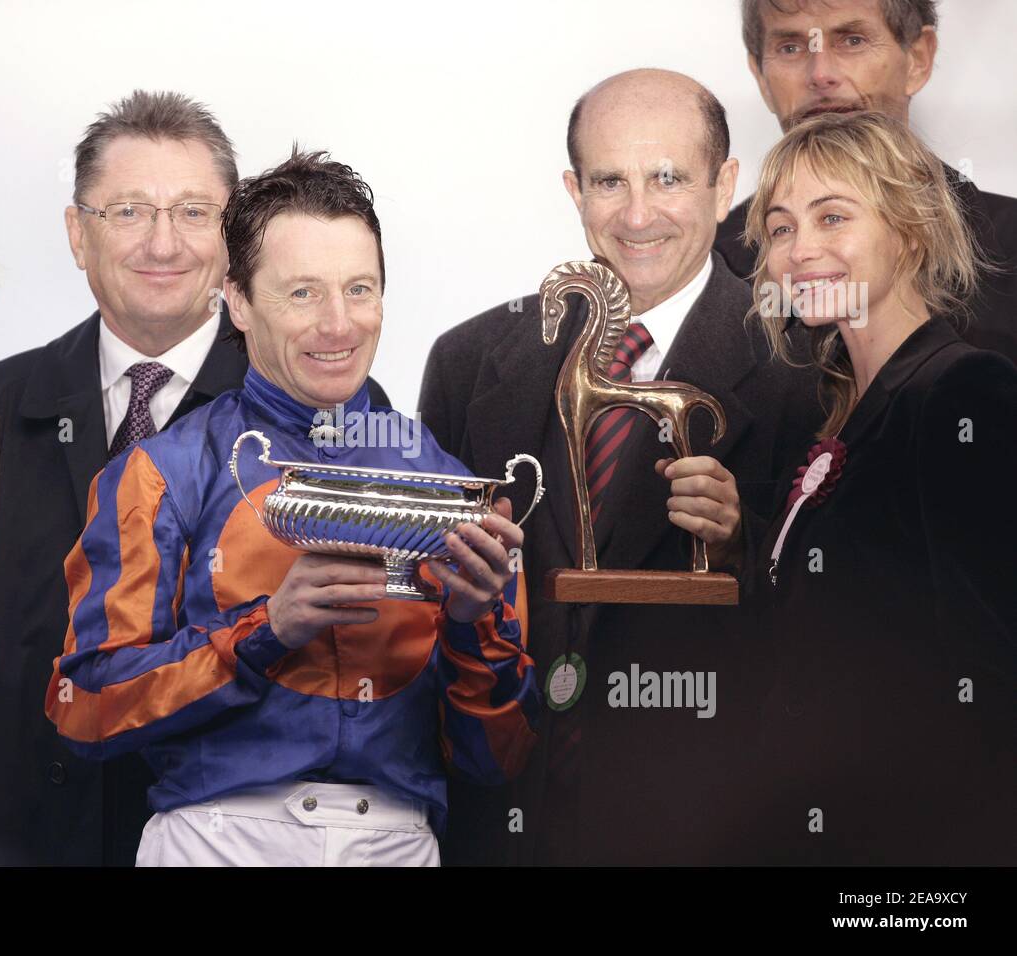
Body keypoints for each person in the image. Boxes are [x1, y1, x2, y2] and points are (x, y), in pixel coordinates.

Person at [45, 149, 539, 866]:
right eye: (302, 293)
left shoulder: (451, 488)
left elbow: (501, 763)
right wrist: (264, 631)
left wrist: (472, 626)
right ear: (237, 302)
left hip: (396, 843)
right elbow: (81, 709)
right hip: (215, 840)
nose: (338, 325)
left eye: (359, 290)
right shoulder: (161, 472)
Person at [0, 92, 389, 866]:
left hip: (229, 839)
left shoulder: (336, 403)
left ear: (236, 241)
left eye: (192, 212)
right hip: (16, 835)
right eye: (127, 212)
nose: (162, 243)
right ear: (78, 234)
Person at [419, 69, 823, 865]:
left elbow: (851, 636)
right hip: (503, 826)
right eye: (610, 181)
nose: (638, 215)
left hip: (710, 828)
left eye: (668, 178)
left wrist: (741, 543)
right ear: (574, 189)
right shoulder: (468, 363)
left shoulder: (810, 372)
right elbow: (419, 619)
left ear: (724, 186)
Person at [740, 109, 1017, 864]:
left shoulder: (964, 389)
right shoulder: (846, 411)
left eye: (833, 217)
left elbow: (991, 676)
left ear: (913, 230)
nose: (801, 250)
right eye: (782, 226)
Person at [717, 0, 1017, 361]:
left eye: (852, 40)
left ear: (917, 58)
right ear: (761, 79)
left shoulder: (1009, 243)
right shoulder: (715, 267)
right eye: (791, 48)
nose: (821, 73)